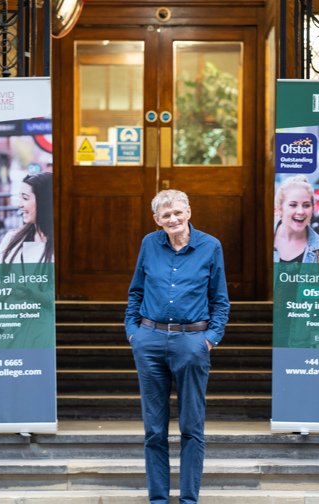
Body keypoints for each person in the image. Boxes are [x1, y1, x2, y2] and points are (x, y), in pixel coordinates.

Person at [125, 189, 230, 504]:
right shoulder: (149, 244)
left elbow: (219, 299)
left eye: (177, 213)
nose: (173, 219)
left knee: (191, 427)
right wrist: (134, 332)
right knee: (154, 429)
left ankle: (188, 499)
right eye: (165, 215)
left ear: (188, 212)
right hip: (150, 340)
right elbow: (136, 291)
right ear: (157, 220)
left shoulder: (210, 246)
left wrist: (210, 339)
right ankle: (158, 499)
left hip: (192, 342)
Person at [273, 175, 319, 264]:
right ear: (279, 209)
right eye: (293, 205)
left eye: (306, 205)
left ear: (312, 208)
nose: (300, 211)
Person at [0, 172, 54, 264]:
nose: (19, 205)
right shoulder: (12, 238)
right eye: (20, 197)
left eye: (25, 198)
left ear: (44, 201)